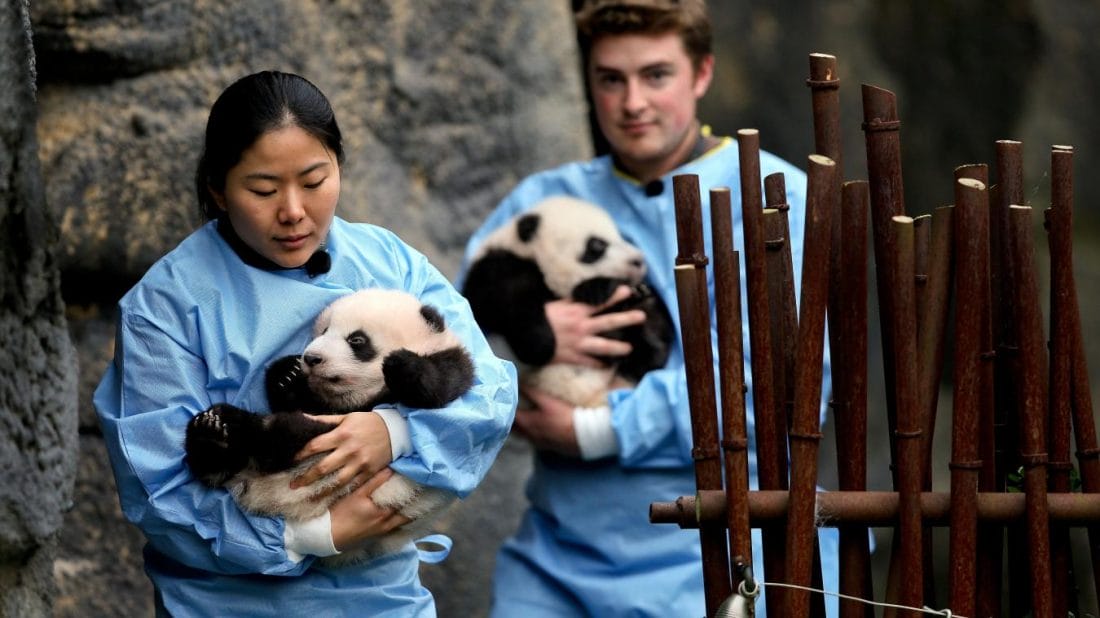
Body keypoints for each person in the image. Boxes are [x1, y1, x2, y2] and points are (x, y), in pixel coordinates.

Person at [458, 1, 839, 616]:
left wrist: (592, 429)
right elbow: (456, 347)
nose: (632, 102)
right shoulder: (544, 199)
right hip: (560, 557)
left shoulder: (777, 197)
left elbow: (775, 389)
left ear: (702, 74)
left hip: (733, 549)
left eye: (656, 75)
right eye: (611, 79)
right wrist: (529, 337)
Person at [94, 70, 517, 617]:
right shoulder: (166, 306)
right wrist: (314, 534)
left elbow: (486, 393)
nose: (293, 210)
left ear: (340, 168)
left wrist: (394, 430)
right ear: (217, 189)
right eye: (263, 190)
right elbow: (159, 491)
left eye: (315, 181)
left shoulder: (389, 262)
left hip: (384, 598)